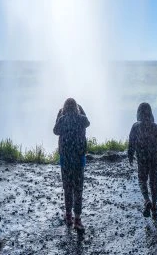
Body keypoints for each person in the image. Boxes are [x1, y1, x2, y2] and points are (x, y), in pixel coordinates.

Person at [53, 97, 90, 231]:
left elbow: (55, 131)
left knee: (67, 188)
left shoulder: (62, 120)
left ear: (65, 108)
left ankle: (68, 216)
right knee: (78, 189)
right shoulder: (81, 119)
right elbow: (87, 122)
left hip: (66, 160)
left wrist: (59, 114)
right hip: (79, 159)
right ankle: (78, 220)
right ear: (76, 108)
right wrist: (81, 110)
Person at [127, 102, 157, 218]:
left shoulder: (135, 126)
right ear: (151, 113)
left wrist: (130, 155)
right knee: (154, 182)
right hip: (154, 158)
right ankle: (154, 205)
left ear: (138, 113)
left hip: (142, 158)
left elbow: (131, 143)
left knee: (142, 180)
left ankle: (146, 200)